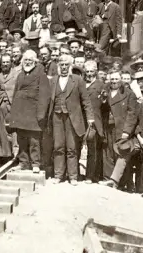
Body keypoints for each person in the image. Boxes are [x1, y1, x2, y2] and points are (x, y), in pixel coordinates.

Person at [48, 54, 94, 185]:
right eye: (61, 65)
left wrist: (90, 118)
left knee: (72, 147)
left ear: (70, 66)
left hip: (72, 118)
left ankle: (73, 176)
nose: (63, 67)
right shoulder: (53, 81)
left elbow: (86, 100)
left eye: (66, 65)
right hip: (56, 116)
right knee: (58, 146)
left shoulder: (77, 80)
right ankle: (58, 175)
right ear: (58, 66)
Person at [9, 50, 50, 173]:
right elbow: (16, 92)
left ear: (35, 61)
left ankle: (35, 163)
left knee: (34, 140)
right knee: (21, 139)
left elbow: (45, 95)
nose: (27, 62)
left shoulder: (40, 74)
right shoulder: (21, 75)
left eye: (30, 60)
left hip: (33, 113)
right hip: (20, 112)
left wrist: (41, 114)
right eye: (25, 60)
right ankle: (23, 163)